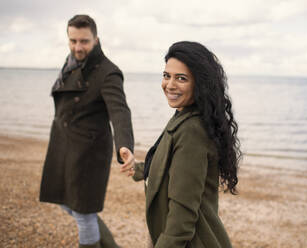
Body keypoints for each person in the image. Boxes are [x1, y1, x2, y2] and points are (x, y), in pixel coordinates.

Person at [131, 41, 241, 248]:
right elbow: (169, 165)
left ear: (200, 84)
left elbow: (182, 214)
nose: (170, 85)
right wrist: (137, 168)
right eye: (166, 75)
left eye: (181, 78)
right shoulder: (184, 115)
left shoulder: (192, 131)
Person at [39, 14, 134, 248]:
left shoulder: (108, 72)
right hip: (65, 145)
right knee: (67, 203)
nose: (78, 47)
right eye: (73, 41)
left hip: (88, 153)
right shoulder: (72, 62)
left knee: (83, 212)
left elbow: (120, 111)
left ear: (96, 39)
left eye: (84, 41)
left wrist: (125, 146)